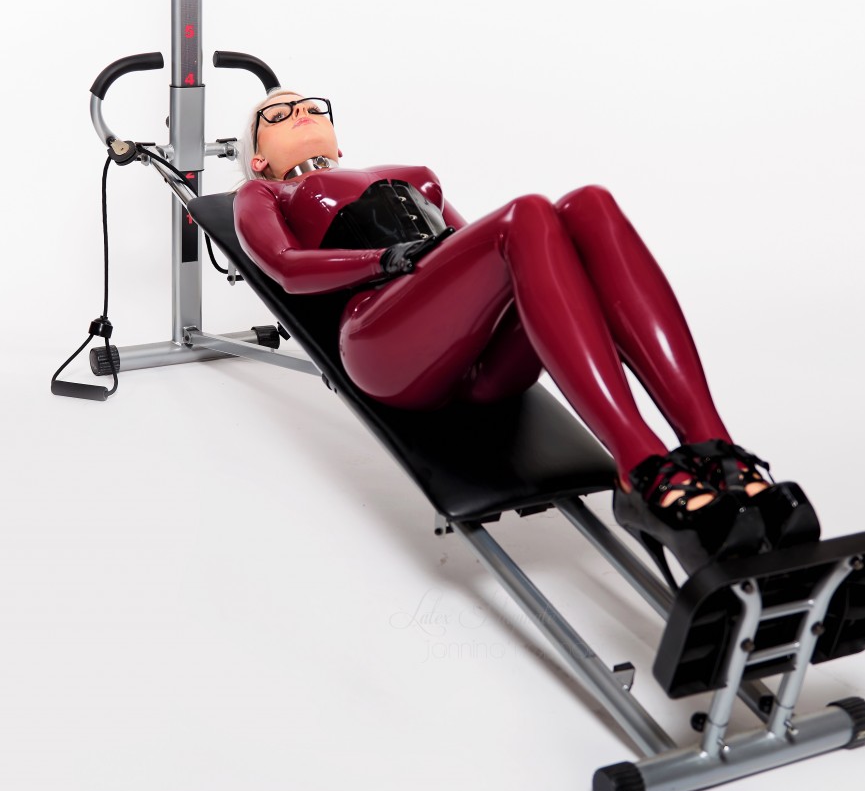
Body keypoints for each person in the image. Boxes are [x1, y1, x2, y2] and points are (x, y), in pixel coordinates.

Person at [233, 90, 819, 583]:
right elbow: (285, 267)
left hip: (481, 365)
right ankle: (642, 467)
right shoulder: (263, 194)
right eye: (277, 115)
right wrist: (385, 259)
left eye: (311, 106)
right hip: (380, 341)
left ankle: (716, 452)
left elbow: (487, 254)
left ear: (339, 139)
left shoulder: (415, 177)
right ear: (258, 158)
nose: (300, 112)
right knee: (528, 212)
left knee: (588, 205)